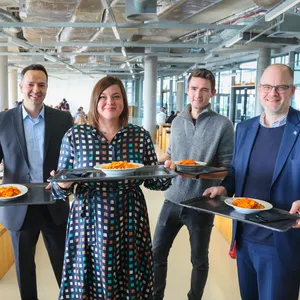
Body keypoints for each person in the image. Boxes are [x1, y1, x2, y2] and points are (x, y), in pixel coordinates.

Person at [51, 76, 172, 299]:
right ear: (95, 101)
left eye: (116, 96)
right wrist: (63, 184)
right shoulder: (76, 136)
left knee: (129, 276)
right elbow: (60, 188)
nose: (110, 102)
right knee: (89, 276)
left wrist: (166, 171)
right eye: (104, 97)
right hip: (88, 217)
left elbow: (152, 180)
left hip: (130, 216)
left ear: (123, 102)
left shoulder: (139, 136)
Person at [203, 64, 300, 300]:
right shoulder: (245, 128)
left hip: (282, 240)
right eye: (267, 86)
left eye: (281, 87)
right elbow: (237, 170)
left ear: (292, 90)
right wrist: (224, 187)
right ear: (259, 90)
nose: (273, 93)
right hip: (245, 235)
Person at [153, 68, 234, 300]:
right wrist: (160, 162)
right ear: (187, 90)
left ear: (213, 93)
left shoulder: (223, 125)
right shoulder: (177, 121)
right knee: (157, 253)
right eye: (195, 88)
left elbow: (228, 169)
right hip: (172, 198)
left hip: (202, 203)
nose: (198, 94)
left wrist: (196, 176)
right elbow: (171, 154)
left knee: (199, 259)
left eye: (204, 90)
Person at [0, 64, 73, 300]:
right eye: (30, 84)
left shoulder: (62, 119)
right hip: (18, 207)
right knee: (25, 271)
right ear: (21, 87)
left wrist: (67, 177)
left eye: (41, 84)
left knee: (65, 269)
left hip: (55, 202)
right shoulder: (3, 120)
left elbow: (72, 160)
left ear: (47, 88)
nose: (35, 89)